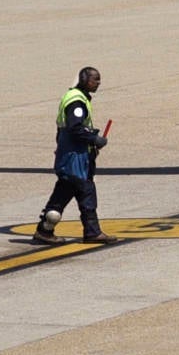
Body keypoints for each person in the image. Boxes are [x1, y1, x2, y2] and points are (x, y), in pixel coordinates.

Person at [35, 66, 114, 245]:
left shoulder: (76, 97)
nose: (98, 83)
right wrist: (94, 139)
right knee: (83, 191)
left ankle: (46, 231)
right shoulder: (76, 102)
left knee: (67, 194)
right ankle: (90, 232)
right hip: (74, 158)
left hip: (71, 155)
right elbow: (75, 127)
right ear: (85, 80)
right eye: (95, 79)